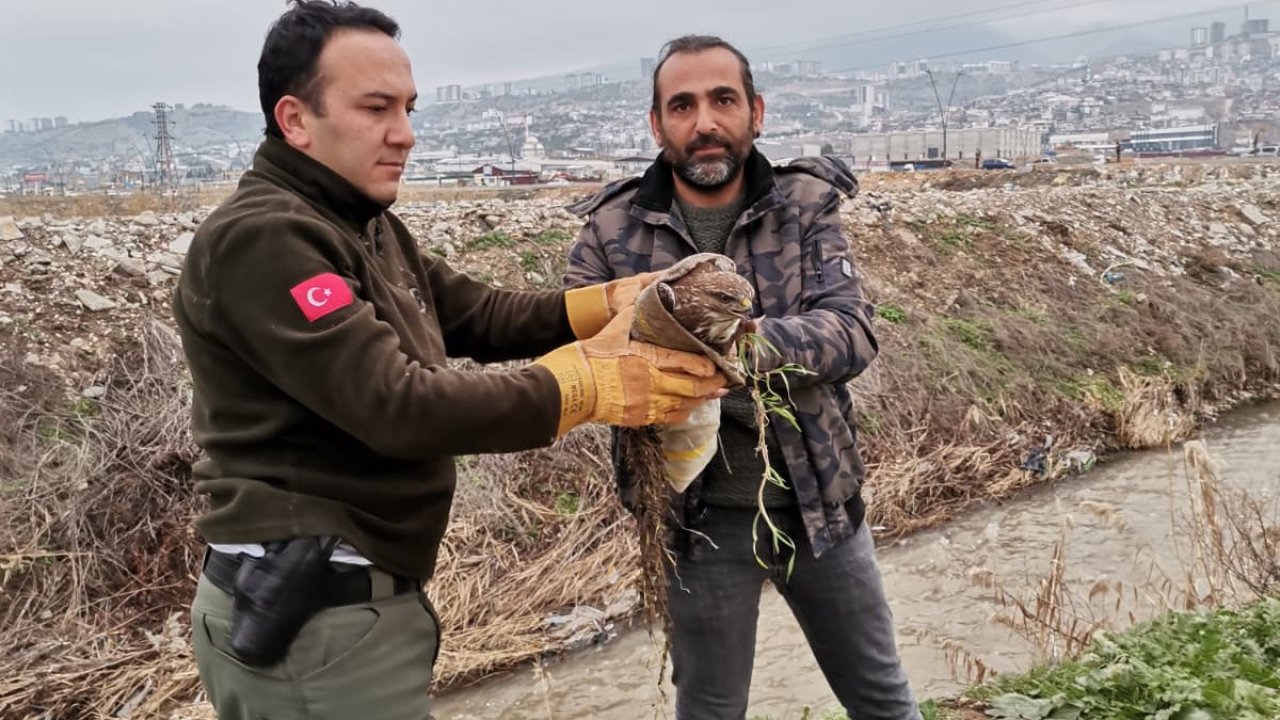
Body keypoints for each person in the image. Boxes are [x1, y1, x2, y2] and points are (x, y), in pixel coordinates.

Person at [171, 4, 726, 719]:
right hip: (310, 616)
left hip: (353, 608)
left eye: (408, 108)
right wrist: (588, 384)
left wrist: (617, 299)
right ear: (296, 119)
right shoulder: (265, 238)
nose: (404, 132)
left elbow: (479, 315)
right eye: (376, 108)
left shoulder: (359, 222)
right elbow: (399, 406)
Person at [562, 34, 922, 720]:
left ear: (755, 112)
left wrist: (730, 345)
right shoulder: (610, 229)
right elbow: (582, 356)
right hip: (696, 527)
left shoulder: (804, 204)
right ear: (657, 123)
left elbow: (851, 332)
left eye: (723, 100)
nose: (704, 122)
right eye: (682, 106)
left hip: (820, 507)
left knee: (882, 701)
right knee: (710, 709)